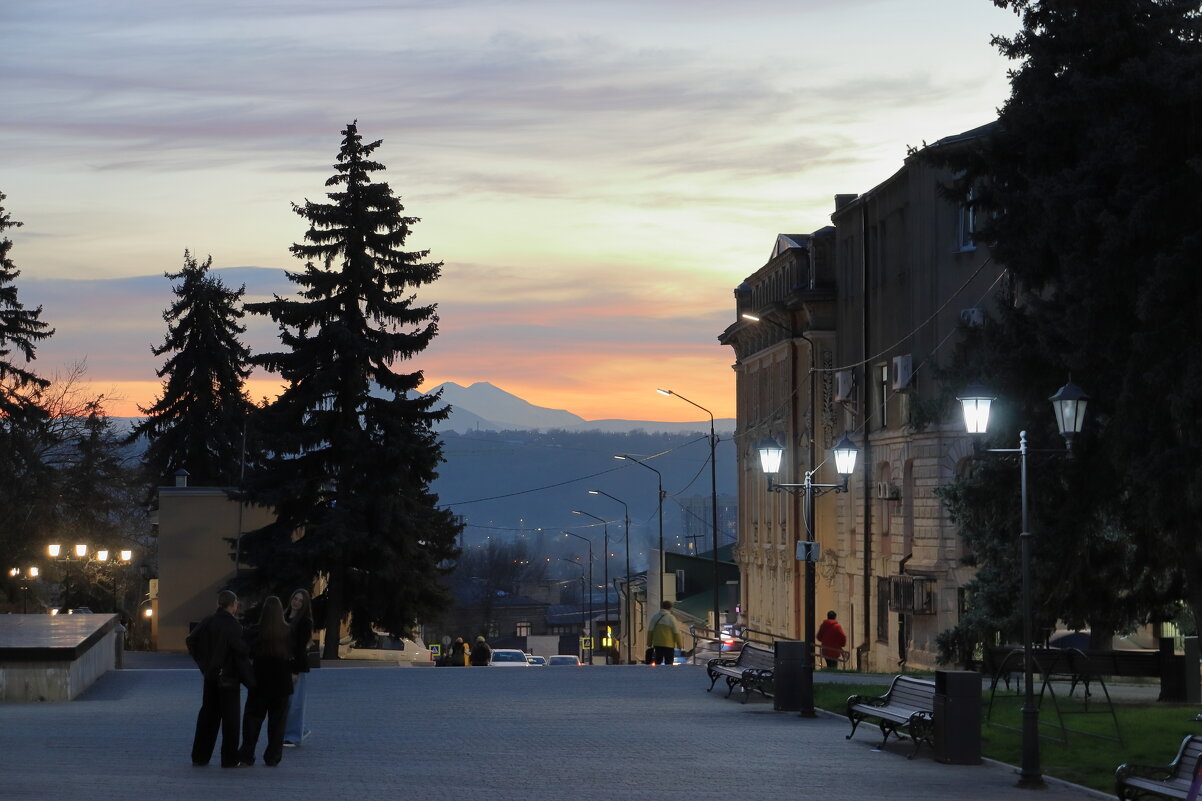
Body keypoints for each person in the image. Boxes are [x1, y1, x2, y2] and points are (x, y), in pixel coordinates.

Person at [186, 589, 253, 768]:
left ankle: (200, 756)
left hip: (211, 677)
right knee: (230, 721)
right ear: (233, 605)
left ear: (219, 604)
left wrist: (204, 665)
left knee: (208, 716)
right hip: (229, 679)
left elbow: (191, 640)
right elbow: (241, 651)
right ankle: (229, 759)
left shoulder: (208, 621)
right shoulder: (234, 626)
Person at [238, 596, 294, 767]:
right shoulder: (288, 631)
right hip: (282, 682)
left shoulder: (255, 631)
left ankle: (247, 754)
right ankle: (273, 756)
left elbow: (244, 652)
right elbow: (296, 654)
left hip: (260, 681)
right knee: (278, 723)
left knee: (253, 719)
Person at [283, 588, 314, 747]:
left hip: (296, 667)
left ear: (304, 604)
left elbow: (301, 647)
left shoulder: (305, 622)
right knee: (284, 702)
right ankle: (300, 730)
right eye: (295, 598)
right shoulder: (284, 616)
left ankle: (293, 736)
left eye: (300, 601)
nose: (296, 602)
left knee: (295, 702)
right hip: (283, 665)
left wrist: (295, 671)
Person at [647, 600, 682, 666]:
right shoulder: (671, 618)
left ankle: (657, 673)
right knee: (669, 662)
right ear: (670, 608)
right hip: (669, 644)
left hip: (657, 643)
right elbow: (676, 633)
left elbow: (650, 631)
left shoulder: (655, 617)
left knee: (658, 660)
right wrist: (679, 644)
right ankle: (668, 674)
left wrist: (649, 642)